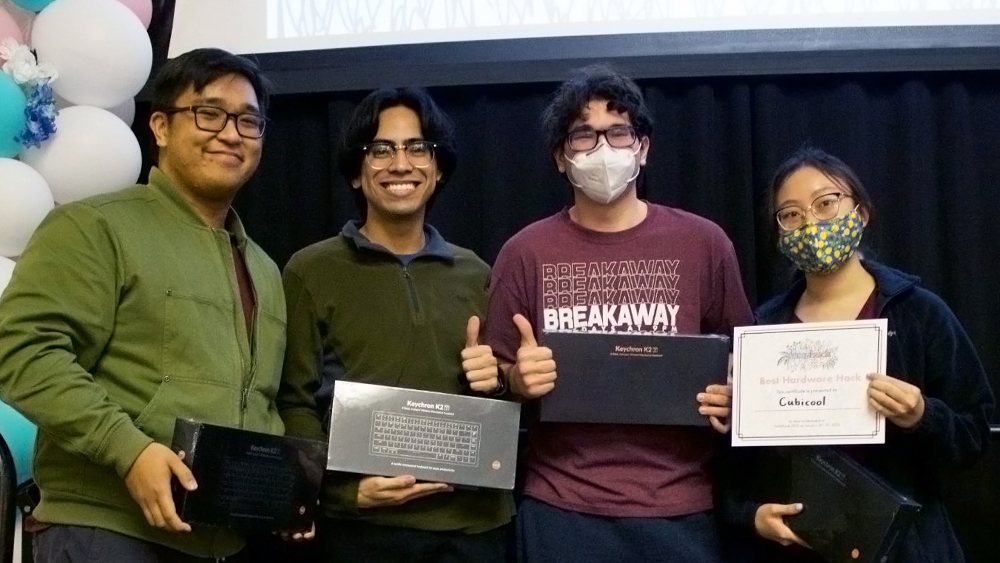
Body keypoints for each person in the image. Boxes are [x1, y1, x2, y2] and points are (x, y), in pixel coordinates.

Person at [0, 48, 286, 562]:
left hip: (219, 541)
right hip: (106, 532)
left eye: (249, 121)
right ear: (159, 126)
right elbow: (20, 350)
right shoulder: (94, 227)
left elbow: (260, 403)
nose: (231, 133)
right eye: (209, 113)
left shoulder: (264, 268)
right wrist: (128, 450)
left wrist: (286, 490)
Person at [481, 65, 753, 563]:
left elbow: (751, 368)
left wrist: (736, 400)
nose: (602, 148)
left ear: (643, 148)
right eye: (583, 135)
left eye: (619, 131)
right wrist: (515, 380)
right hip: (560, 509)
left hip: (681, 510)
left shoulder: (704, 243)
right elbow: (492, 383)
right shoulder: (525, 252)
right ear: (562, 158)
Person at [277, 87, 514, 563]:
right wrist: (341, 495)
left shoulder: (479, 273)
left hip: (473, 530)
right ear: (356, 174)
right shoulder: (310, 270)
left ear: (439, 167)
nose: (400, 164)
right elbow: (293, 401)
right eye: (380, 149)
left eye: (417, 148)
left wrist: (500, 380)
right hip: (363, 531)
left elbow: (505, 397)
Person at [724, 146, 994, 563]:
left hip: (907, 549)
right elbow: (736, 468)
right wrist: (750, 515)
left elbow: (974, 433)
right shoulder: (762, 331)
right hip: (798, 548)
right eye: (791, 214)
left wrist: (922, 415)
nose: (810, 223)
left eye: (826, 204)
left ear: (861, 213)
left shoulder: (918, 313)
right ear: (780, 234)